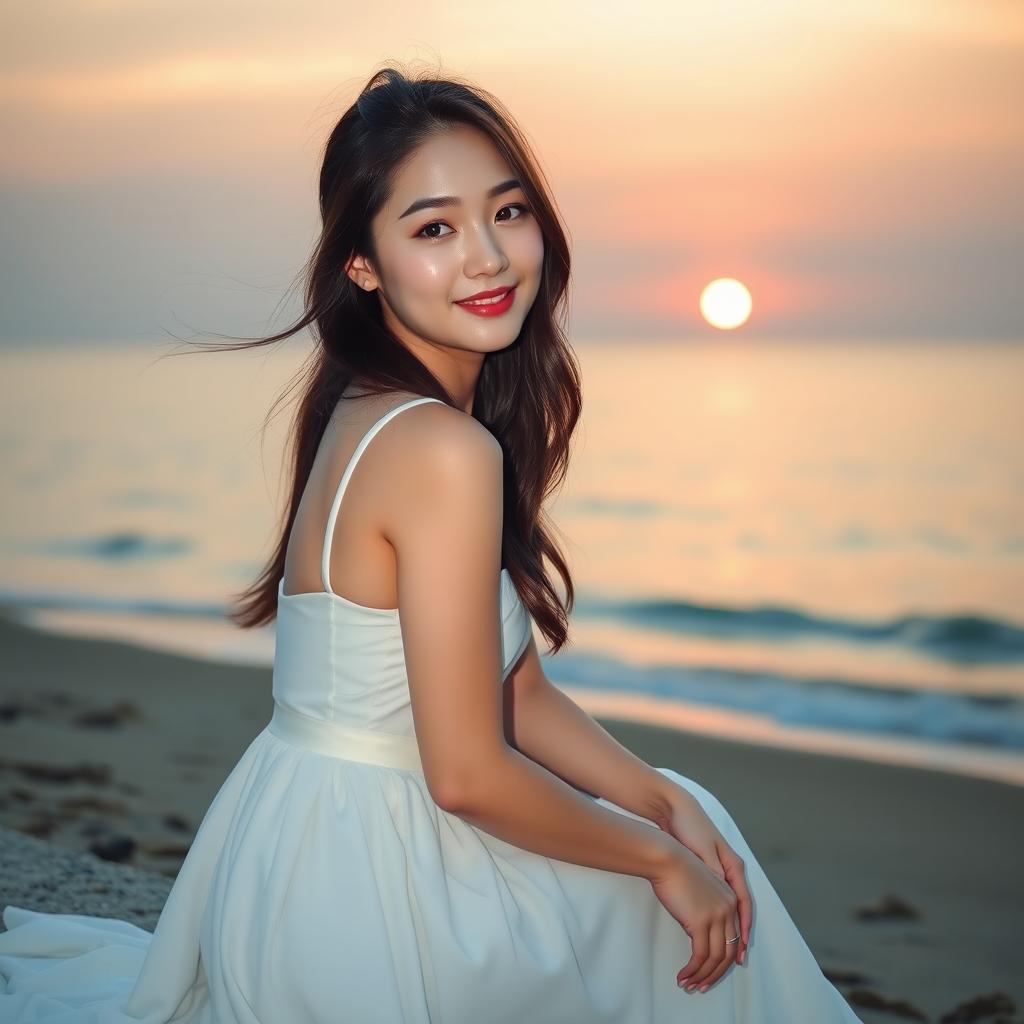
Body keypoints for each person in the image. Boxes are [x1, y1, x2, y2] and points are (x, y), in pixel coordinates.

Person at [0, 64, 864, 1023]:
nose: (489, 258)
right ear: (360, 265)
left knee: (690, 812)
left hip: (303, 842)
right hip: (377, 883)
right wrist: (659, 856)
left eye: (508, 211)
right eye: (434, 229)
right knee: (685, 900)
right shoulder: (443, 450)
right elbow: (465, 774)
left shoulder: (373, 410)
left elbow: (518, 691)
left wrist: (662, 806)